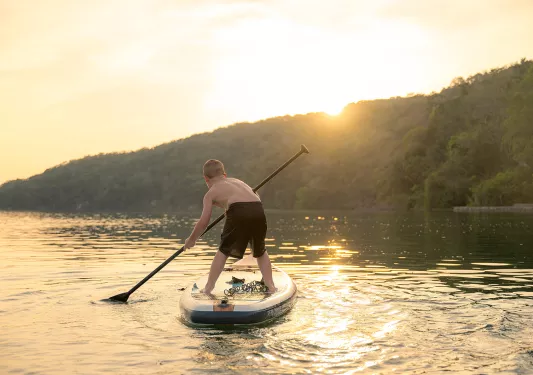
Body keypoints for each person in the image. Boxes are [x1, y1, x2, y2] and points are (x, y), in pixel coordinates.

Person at [184, 159, 276, 294]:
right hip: (258, 208)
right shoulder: (239, 182)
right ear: (224, 174)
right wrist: (228, 207)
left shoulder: (210, 193)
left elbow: (204, 221)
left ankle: (208, 288)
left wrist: (192, 239)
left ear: (206, 179)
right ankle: (271, 286)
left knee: (224, 250)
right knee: (260, 249)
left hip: (239, 211)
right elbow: (251, 198)